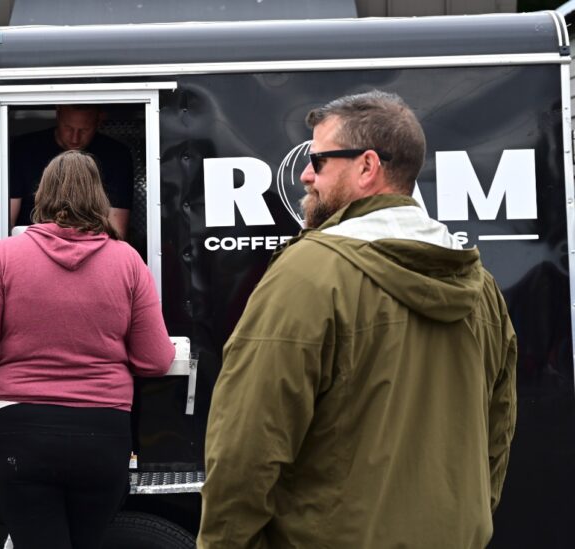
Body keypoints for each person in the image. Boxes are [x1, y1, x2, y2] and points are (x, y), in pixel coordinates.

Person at [197, 90, 518, 548]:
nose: (306, 175)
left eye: (320, 161)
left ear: (367, 166)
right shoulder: (482, 287)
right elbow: (497, 435)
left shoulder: (308, 274)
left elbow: (246, 445)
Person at [0, 150, 175, 549]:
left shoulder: (4, 257)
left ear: (41, 196)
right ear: (99, 198)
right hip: (102, 436)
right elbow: (154, 359)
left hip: (19, 434)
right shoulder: (129, 263)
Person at [9, 104, 134, 239]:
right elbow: (4, 221)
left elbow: (117, 232)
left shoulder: (116, 155)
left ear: (99, 120)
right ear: (57, 114)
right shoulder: (24, 150)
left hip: (93, 250)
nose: (75, 138)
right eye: (68, 128)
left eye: (85, 130)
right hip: (32, 246)